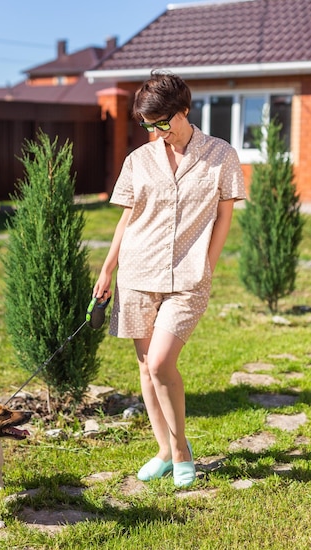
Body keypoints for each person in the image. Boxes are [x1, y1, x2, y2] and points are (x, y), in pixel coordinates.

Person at [93, 72, 246, 487]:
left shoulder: (220, 155)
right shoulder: (139, 160)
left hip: (189, 276)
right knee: (145, 367)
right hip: (137, 270)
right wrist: (107, 269)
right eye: (148, 124)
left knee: (162, 362)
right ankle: (164, 450)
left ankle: (181, 452)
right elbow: (128, 217)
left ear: (184, 111)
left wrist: (207, 266)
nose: (157, 132)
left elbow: (225, 214)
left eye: (163, 122)